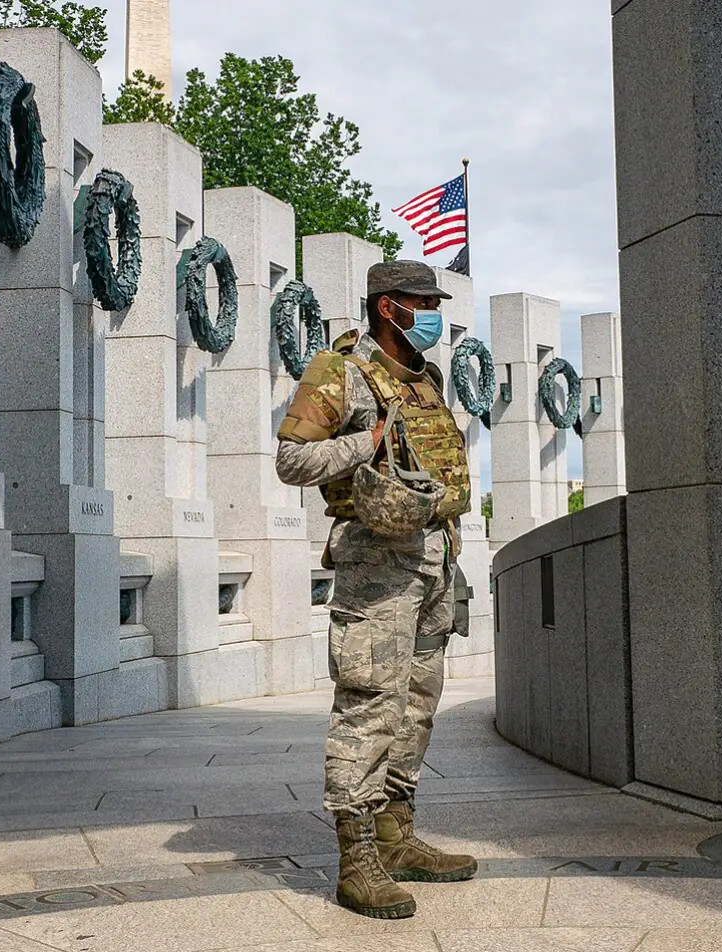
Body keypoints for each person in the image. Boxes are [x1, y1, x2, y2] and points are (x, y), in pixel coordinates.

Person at [275, 260, 477, 919]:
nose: (434, 314)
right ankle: (356, 860)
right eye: (424, 303)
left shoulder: (427, 377)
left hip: (434, 557)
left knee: (417, 704)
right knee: (370, 705)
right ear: (389, 307)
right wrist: (365, 442)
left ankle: (396, 836)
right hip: (376, 565)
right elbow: (292, 460)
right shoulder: (340, 371)